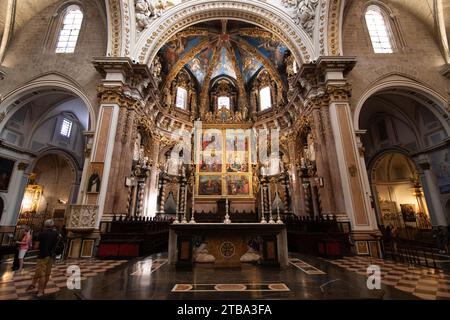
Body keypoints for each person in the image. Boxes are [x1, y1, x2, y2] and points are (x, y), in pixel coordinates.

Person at [26, 219, 59, 297]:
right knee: (47, 273)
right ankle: (41, 288)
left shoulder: (41, 234)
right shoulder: (56, 233)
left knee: (42, 274)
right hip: (51, 256)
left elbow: (36, 246)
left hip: (42, 255)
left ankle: (40, 291)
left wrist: (36, 246)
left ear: (45, 225)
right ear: (52, 225)